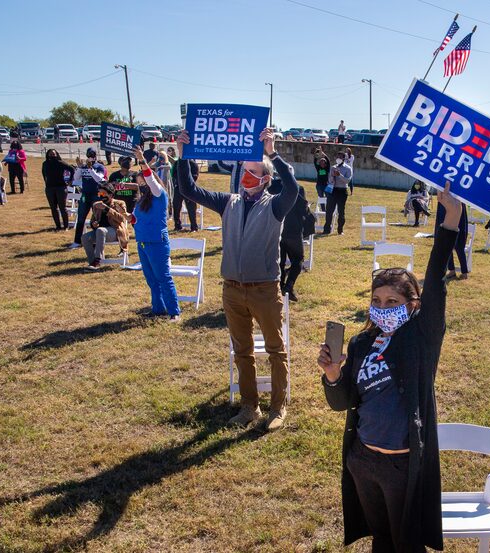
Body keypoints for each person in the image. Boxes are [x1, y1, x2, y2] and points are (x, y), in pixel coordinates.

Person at [318, 182, 462, 553]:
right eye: (376, 300)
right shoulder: (361, 343)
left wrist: (451, 222)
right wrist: (333, 376)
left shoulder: (420, 338)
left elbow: (435, 282)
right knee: (381, 539)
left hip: (402, 466)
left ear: (413, 304)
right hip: (362, 461)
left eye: (393, 300)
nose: (383, 306)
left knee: (407, 544)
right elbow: (343, 402)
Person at [176, 128, 299, 430]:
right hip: (232, 290)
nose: (247, 176)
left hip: (264, 290)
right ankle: (249, 407)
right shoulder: (227, 202)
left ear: (266, 179)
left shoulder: (274, 205)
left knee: (275, 349)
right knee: (242, 351)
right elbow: (189, 190)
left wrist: (272, 152)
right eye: (246, 170)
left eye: (254, 172)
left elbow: (293, 189)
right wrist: (182, 155)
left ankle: (278, 408)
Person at [131, 145, 181, 321]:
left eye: (143, 182)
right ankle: (157, 308)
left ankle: (174, 312)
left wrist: (142, 160)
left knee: (163, 277)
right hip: (142, 241)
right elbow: (137, 220)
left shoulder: (159, 194)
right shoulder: (141, 200)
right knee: (151, 279)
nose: (141, 185)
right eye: (139, 183)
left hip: (157, 241)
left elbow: (150, 179)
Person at [273, 174, 312, 303]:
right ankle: (288, 286)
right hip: (293, 231)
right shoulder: (298, 189)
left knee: (280, 261)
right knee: (298, 260)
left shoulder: (272, 187)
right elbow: (303, 209)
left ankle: (281, 286)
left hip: (276, 229)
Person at [82, 183, 129, 271]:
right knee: (85, 237)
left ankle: (98, 261)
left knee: (101, 230)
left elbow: (122, 218)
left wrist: (107, 208)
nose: (100, 196)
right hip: (100, 233)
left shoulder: (119, 203)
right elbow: (93, 220)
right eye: (99, 194)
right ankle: (92, 262)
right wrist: (93, 224)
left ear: (110, 195)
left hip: (116, 231)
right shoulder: (97, 204)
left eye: (103, 194)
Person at [70, 148, 107, 249]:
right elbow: (76, 178)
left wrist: (91, 169)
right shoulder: (84, 167)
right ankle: (77, 241)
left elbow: (99, 179)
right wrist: (79, 167)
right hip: (85, 195)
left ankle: (96, 241)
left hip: (96, 195)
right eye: (89, 154)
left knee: (96, 218)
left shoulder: (99, 166)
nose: (90, 157)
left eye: (92, 155)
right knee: (81, 218)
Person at [41, 149, 76, 229]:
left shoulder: (60, 163)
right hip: (49, 188)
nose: (52, 155)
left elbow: (72, 169)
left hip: (61, 187)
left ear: (56, 154)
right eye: (50, 154)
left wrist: (70, 180)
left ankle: (66, 226)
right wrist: (46, 182)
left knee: (62, 208)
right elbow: (43, 174)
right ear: (48, 155)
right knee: (53, 208)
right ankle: (58, 226)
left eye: (54, 154)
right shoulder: (45, 164)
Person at [323, 152, 352, 235]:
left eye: (340, 157)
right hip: (333, 190)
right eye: (337, 156)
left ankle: (340, 230)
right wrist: (332, 177)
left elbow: (347, 181)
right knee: (329, 210)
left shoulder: (348, 168)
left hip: (342, 191)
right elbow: (329, 180)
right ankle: (326, 229)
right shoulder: (333, 167)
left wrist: (339, 175)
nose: (338, 158)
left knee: (341, 211)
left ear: (343, 159)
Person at [171, 151, 200, 232]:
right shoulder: (177, 163)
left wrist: (186, 182)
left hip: (189, 189)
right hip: (178, 188)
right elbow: (173, 174)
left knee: (191, 208)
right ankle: (177, 225)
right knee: (176, 206)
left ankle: (194, 226)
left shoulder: (193, 163)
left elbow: (195, 175)